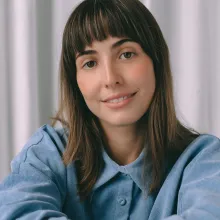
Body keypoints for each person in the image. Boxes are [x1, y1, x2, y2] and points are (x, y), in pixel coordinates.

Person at [0, 0, 220, 219]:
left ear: (156, 60)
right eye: (90, 63)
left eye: (126, 54)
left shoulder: (203, 159)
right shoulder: (47, 153)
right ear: (75, 81)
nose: (110, 79)